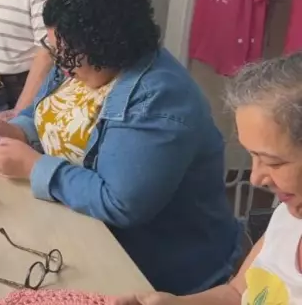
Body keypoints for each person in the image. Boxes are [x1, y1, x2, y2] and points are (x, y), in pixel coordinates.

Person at [0, 0, 242, 295]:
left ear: (106, 47)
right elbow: (48, 112)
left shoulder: (160, 98)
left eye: (67, 54)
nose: (61, 64)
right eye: (55, 49)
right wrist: (17, 130)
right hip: (85, 231)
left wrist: (33, 167)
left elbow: (122, 202)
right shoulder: (79, 61)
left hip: (164, 273)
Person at [117, 53, 302, 304]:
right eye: (253, 157)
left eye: (274, 162)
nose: (256, 178)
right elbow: (237, 293)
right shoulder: (287, 219)